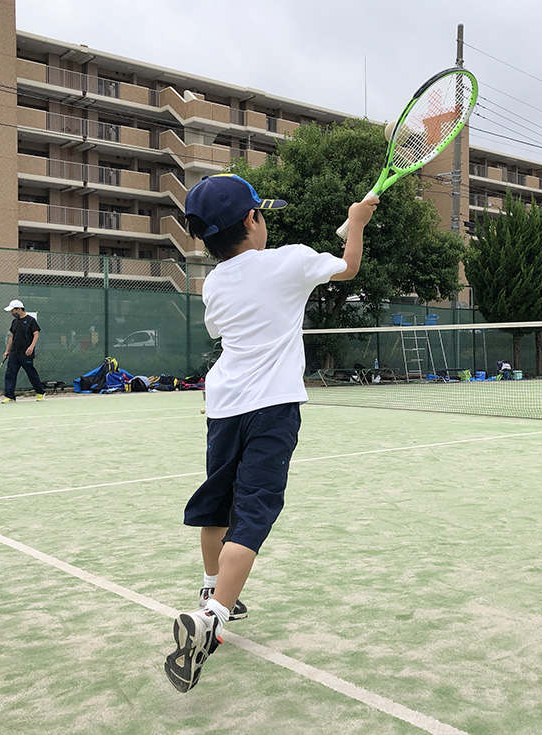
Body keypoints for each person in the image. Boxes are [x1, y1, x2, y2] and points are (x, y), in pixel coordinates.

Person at [164, 173, 377, 693]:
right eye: (262, 213)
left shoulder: (213, 283)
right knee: (254, 509)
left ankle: (213, 591)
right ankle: (212, 617)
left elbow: (229, 326)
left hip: (224, 405)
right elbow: (348, 267)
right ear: (252, 220)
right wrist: (357, 224)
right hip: (273, 407)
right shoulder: (293, 259)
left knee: (219, 502)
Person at [2, 299, 45, 402]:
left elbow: (36, 334)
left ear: (19, 309)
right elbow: (11, 337)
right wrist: (7, 351)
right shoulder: (14, 322)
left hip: (26, 354)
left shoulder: (31, 321)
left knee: (31, 374)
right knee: (10, 374)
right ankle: (9, 396)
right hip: (14, 353)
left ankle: (40, 393)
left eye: (13, 310)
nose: (12, 313)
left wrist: (31, 347)